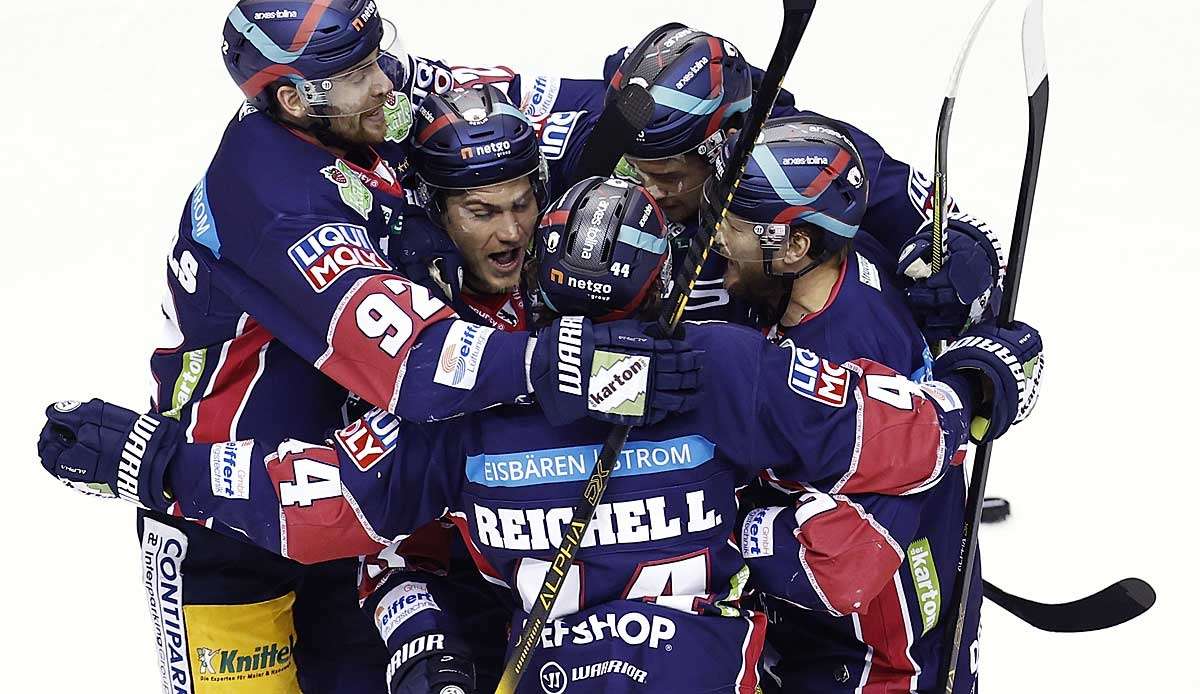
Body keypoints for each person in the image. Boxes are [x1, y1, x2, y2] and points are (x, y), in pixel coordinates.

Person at [40, 177, 1043, 693]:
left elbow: (316, 502)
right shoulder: (729, 364)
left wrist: (156, 458)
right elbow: (910, 439)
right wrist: (980, 375)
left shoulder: (469, 403)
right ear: (665, 282)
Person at [142, 2, 699, 692]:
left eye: (377, 56)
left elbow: (539, 105)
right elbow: (419, 365)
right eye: (360, 73)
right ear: (293, 98)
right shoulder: (271, 196)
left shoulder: (347, 100)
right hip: (230, 514)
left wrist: (684, 101)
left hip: (360, 496)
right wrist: (567, 364)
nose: (386, 82)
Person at [710, 117, 1029, 692]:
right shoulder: (845, 266)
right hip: (878, 596)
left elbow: (841, 567)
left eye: (732, 225)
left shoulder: (844, 350)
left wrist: (719, 524)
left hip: (876, 653)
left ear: (795, 246)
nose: (715, 239)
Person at [507, 22, 1004, 337]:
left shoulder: (808, 157)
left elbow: (942, 225)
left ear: (725, 141)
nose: (648, 190)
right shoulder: (620, 117)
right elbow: (491, 98)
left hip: (765, 393)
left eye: (669, 176)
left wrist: (961, 261)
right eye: (632, 168)